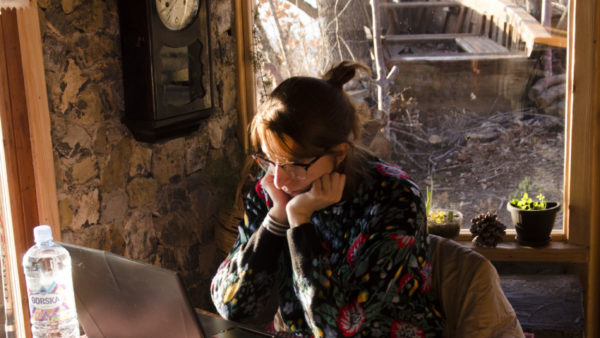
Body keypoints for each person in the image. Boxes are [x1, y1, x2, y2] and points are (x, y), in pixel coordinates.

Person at [211, 61, 445, 337]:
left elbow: (336, 328)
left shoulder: (394, 198)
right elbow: (232, 306)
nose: (278, 180)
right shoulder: (274, 192)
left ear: (339, 153)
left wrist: (300, 222)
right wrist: (276, 218)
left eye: (294, 164)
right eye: (269, 160)